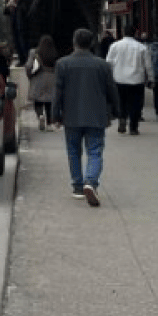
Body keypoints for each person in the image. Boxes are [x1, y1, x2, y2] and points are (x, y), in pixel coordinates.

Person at [54, 28, 121, 207]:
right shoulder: (102, 65)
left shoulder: (62, 64)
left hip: (71, 115)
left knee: (73, 151)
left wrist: (55, 115)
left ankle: (77, 186)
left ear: (74, 42)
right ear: (91, 43)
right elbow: (112, 90)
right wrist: (117, 111)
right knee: (95, 151)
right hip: (96, 115)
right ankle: (90, 182)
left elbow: (58, 92)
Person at [105, 25, 152, 135]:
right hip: (137, 80)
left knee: (121, 101)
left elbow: (108, 62)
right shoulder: (142, 47)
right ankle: (133, 127)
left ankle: (122, 118)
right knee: (136, 104)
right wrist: (151, 78)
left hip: (119, 78)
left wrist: (109, 77)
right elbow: (148, 65)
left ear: (123, 32)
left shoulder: (115, 46)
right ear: (135, 33)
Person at [25, 34, 59, 132]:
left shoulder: (34, 52)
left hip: (38, 78)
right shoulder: (54, 53)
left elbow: (29, 65)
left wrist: (30, 75)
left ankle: (40, 116)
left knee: (38, 101)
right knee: (49, 102)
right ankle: (49, 123)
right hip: (52, 79)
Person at [4, 0, 28, 65]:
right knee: (18, 46)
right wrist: (8, 5)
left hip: (21, 30)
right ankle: (22, 61)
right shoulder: (12, 10)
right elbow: (5, 12)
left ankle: (25, 60)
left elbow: (24, 14)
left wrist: (15, 6)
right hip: (15, 30)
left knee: (23, 46)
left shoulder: (20, 7)